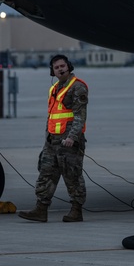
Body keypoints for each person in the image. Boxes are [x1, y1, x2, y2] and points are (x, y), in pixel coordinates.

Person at [19, 54, 89, 223]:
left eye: (63, 66)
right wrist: (47, 140)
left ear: (69, 66)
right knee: (46, 174)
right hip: (52, 141)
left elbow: (80, 116)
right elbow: (52, 116)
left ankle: (76, 211)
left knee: (72, 176)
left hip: (69, 142)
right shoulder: (54, 89)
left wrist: (72, 137)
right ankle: (41, 210)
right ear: (53, 71)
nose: (60, 69)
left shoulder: (78, 87)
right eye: (56, 67)